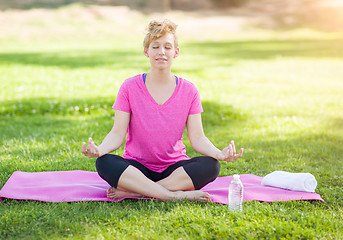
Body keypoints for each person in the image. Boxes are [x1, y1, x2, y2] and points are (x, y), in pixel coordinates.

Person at [82, 19, 243, 203]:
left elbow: (198, 138)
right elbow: (118, 133)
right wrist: (100, 150)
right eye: (155, 46)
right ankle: (171, 195)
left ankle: (138, 192)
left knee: (211, 165)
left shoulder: (189, 91)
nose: (161, 52)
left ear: (176, 52)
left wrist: (219, 154)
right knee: (104, 162)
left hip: (174, 169)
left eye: (167, 47)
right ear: (146, 51)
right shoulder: (129, 87)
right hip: (137, 167)